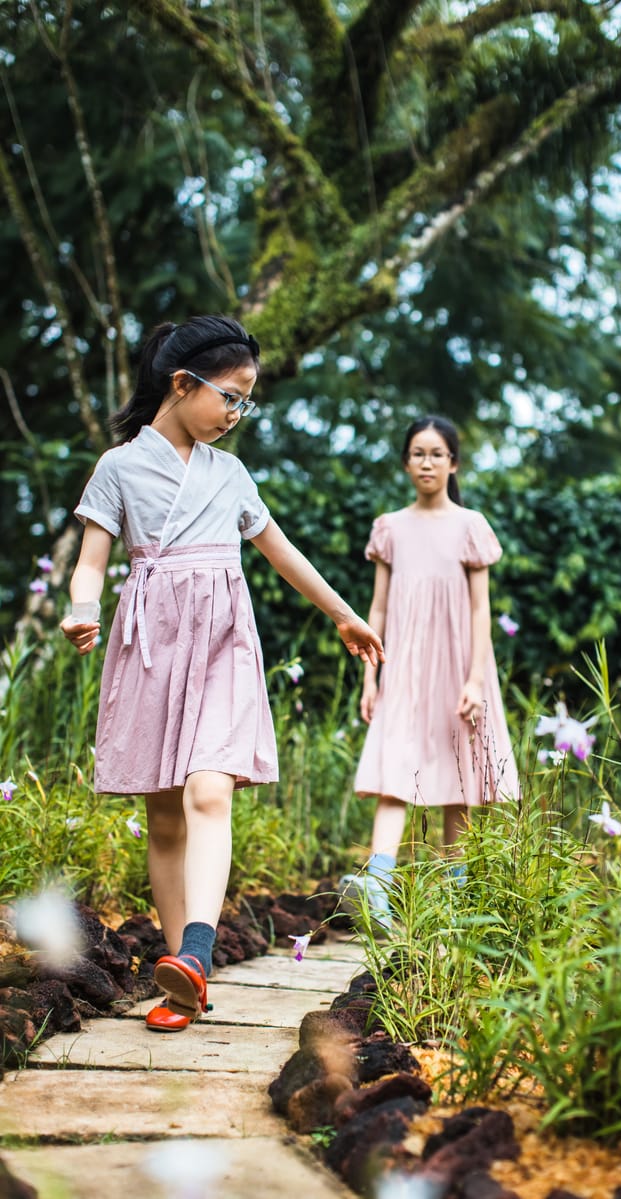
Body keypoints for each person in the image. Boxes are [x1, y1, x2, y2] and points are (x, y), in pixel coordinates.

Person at [60, 314, 384, 1031]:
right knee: (166, 814)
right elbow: (91, 560)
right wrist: (82, 608)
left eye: (246, 401)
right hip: (151, 644)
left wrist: (343, 612)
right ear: (183, 384)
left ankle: (197, 952)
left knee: (210, 789)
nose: (237, 413)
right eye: (231, 396)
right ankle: (183, 982)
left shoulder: (229, 474)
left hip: (221, 646)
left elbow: (280, 549)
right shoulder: (118, 467)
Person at [338, 415, 519, 929]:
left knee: (457, 781)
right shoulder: (390, 527)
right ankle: (375, 885)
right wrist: (370, 678)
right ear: (405, 462)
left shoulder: (470, 525)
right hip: (404, 665)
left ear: (453, 463)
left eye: (437, 453)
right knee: (396, 772)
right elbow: (376, 609)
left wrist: (476, 680)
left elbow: (481, 609)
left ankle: (454, 900)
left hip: (460, 666)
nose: (427, 462)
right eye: (418, 453)